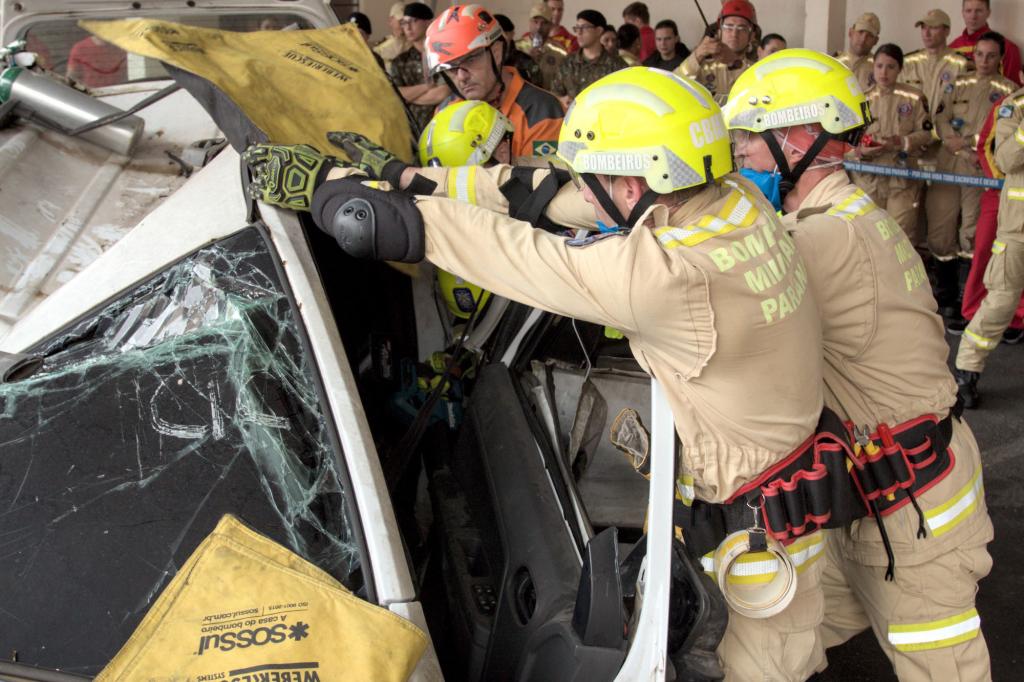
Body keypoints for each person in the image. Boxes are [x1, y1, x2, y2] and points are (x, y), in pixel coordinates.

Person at [248, 66, 830, 679]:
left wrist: (349, 200)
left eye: (598, 174)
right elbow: (536, 193)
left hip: (755, 560)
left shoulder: (663, 275)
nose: (587, 187)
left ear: (633, 183)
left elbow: (511, 250)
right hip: (767, 511)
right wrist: (403, 180)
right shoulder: (734, 200)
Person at [725, 48, 993, 681]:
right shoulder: (834, 217)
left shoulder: (827, 238)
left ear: (800, 139)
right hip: (872, 492)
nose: (738, 155)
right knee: (785, 641)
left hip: (916, 513)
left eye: (747, 140)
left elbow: (713, 290)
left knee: (941, 666)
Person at [900, 9, 973, 321]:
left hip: (947, 152)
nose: (927, 34)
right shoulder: (909, 62)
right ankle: (908, 292)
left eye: (933, 28)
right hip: (911, 152)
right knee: (905, 223)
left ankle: (947, 296)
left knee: (943, 226)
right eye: (923, 28)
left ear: (946, 30)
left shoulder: (960, 64)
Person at [954, 83, 1024, 406]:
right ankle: (967, 371)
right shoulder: (1013, 107)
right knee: (1001, 300)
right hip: (1018, 227)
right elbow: (1006, 158)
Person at [426, 4, 564, 162]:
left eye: (470, 60)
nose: (461, 76)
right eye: (450, 68)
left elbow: (544, 182)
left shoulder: (541, 110)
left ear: (497, 53)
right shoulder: (445, 111)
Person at [932, 32, 1015, 261]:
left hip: (981, 168)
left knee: (972, 229)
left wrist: (968, 143)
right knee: (940, 228)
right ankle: (942, 287)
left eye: (990, 56)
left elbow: (1002, 133)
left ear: (1000, 58)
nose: (983, 61)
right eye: (979, 54)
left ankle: (965, 289)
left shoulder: (1009, 92)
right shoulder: (957, 84)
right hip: (949, 164)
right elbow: (940, 119)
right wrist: (959, 148)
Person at [849, 44, 932, 237]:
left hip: (901, 179)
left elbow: (927, 134)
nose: (883, 72)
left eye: (890, 67)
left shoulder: (915, 98)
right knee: (868, 234)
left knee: (899, 235)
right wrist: (861, 150)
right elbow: (848, 141)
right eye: (879, 66)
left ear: (900, 69)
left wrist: (901, 142)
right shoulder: (862, 100)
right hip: (868, 180)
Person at [675, 0, 756, 104]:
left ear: (752, 35)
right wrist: (697, 55)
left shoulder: (758, 67)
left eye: (742, 28)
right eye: (729, 27)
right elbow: (673, 85)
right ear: (719, 31)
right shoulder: (702, 66)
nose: (734, 34)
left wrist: (735, 63)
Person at [390, 3, 449, 135]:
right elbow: (394, 95)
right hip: (409, 132)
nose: (408, 27)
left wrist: (408, 97)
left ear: (428, 23)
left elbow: (443, 93)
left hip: (442, 127)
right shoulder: (400, 61)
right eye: (404, 23)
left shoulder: (442, 56)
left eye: (413, 21)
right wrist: (427, 87)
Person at [551, 10, 627, 108]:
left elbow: (625, 100)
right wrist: (561, 100)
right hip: (573, 121)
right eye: (577, 28)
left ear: (599, 31)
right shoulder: (568, 63)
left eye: (584, 27)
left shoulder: (617, 66)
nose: (579, 32)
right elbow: (554, 93)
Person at [950, 0, 1022, 86]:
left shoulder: (1008, 48)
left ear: (988, 13)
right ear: (962, 13)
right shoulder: (952, 48)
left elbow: (1013, 91)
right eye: (968, 11)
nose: (973, 16)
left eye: (979, 11)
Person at [517, 3, 567, 92]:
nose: (539, 27)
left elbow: (564, 85)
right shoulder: (516, 48)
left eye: (544, 23)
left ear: (551, 25)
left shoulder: (560, 52)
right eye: (535, 21)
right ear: (529, 22)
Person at [834, 12, 880, 93]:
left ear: (876, 41)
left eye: (869, 35)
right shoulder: (834, 63)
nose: (863, 39)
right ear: (850, 33)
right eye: (860, 32)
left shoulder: (880, 68)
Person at [497, 14, 542, 87]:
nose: (498, 39)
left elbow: (538, 90)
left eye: (502, 34)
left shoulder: (526, 62)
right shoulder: (485, 61)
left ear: (511, 34)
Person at [373, 2, 410, 72]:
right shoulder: (380, 49)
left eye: (407, 21)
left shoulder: (417, 45)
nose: (404, 25)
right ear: (390, 21)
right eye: (401, 21)